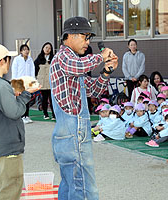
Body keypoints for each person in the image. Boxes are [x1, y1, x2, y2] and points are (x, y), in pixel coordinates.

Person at [49, 16, 118, 200]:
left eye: (89, 38)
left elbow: (94, 90)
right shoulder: (64, 57)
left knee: (70, 185)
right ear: (70, 35)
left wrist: (106, 71)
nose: (88, 42)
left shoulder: (73, 62)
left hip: (71, 134)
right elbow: (80, 65)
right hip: (72, 134)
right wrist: (101, 57)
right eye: (85, 36)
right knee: (85, 189)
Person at [0, 44, 40, 200]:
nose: (10, 62)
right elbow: (15, 112)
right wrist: (26, 94)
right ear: (2, 61)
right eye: (8, 59)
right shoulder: (0, 85)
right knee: (10, 190)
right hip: (7, 148)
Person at [11, 44, 35, 124]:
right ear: (21, 51)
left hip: (27, 82)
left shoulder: (30, 60)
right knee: (20, 100)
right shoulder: (17, 59)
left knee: (27, 99)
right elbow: (14, 71)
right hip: (19, 82)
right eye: (24, 49)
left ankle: (27, 116)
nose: (26, 51)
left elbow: (32, 71)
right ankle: (21, 116)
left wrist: (32, 81)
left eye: (27, 49)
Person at [34, 42, 55, 120]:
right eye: (46, 47)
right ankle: (45, 114)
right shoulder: (39, 58)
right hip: (42, 82)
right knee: (44, 99)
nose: (47, 49)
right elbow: (35, 70)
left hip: (51, 82)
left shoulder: (53, 58)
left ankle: (53, 114)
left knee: (52, 99)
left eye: (49, 48)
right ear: (43, 48)